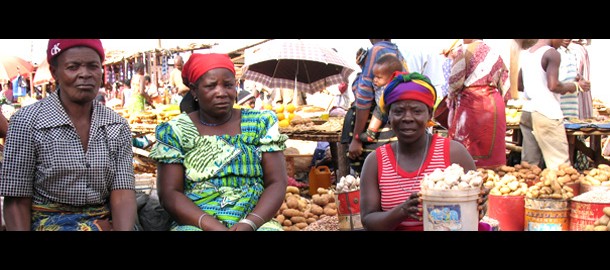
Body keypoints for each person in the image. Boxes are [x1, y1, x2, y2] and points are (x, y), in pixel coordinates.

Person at [0, 39, 137, 231]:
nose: (85, 74)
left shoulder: (117, 125)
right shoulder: (26, 122)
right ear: (55, 73)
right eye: (73, 67)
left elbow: (122, 193)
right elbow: (16, 200)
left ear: (101, 71)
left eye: (93, 66)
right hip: (47, 224)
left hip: (104, 223)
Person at [149, 53, 288, 231]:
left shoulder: (260, 123)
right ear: (194, 90)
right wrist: (211, 226)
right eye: (211, 86)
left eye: (228, 85)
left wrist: (250, 223)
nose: (221, 92)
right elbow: (169, 193)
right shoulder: (175, 131)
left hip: (255, 220)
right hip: (196, 222)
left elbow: (277, 182)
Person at [359, 72, 487, 231]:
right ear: (389, 117)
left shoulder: (454, 153)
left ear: (429, 115)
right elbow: (368, 220)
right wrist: (403, 211)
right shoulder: (376, 162)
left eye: (417, 111)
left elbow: (475, 213)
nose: (407, 118)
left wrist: (480, 203)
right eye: (398, 111)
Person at [518, 39, 590, 170]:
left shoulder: (527, 54)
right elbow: (553, 85)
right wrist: (575, 86)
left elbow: (520, 85)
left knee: (529, 166)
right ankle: (563, 190)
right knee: (561, 167)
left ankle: (530, 187)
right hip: (547, 112)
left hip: (528, 111)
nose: (563, 41)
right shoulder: (552, 53)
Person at [446, 39, 510, 169]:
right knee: (492, 153)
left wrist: (450, 97)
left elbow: (455, 81)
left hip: (471, 104)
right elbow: (506, 85)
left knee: (465, 151)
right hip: (493, 103)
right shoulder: (495, 53)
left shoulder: (463, 51)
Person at [347, 39, 406, 175]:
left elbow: (364, 96)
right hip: (391, 131)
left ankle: (369, 134)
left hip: (378, 131)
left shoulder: (376, 50)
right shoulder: (396, 51)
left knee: (373, 173)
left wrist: (356, 138)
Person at [358, 54, 404, 143]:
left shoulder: (389, 87)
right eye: (374, 76)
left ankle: (371, 133)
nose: (375, 79)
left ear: (392, 77)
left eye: (379, 77)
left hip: (389, 111)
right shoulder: (383, 85)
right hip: (392, 114)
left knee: (378, 109)